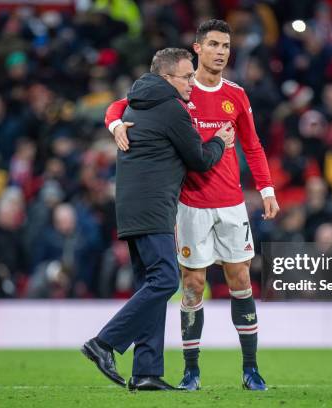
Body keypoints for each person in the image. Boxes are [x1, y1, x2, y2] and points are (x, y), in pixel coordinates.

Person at [106, 19, 280, 391]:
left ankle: (251, 369)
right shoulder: (177, 91)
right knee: (192, 285)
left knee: (240, 280)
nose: (221, 52)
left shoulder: (237, 94)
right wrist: (115, 124)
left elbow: (252, 145)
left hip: (231, 203)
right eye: (214, 44)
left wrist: (266, 189)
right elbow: (117, 106)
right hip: (189, 204)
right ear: (198, 48)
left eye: (226, 46)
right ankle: (191, 371)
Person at [82, 48, 234, 391]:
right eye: (186, 76)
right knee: (166, 280)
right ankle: (104, 342)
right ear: (166, 78)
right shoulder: (170, 109)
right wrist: (221, 142)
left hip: (133, 208)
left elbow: (116, 108)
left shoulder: (138, 101)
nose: (192, 83)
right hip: (153, 209)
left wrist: (115, 120)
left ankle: (146, 372)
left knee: (149, 284)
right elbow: (198, 159)